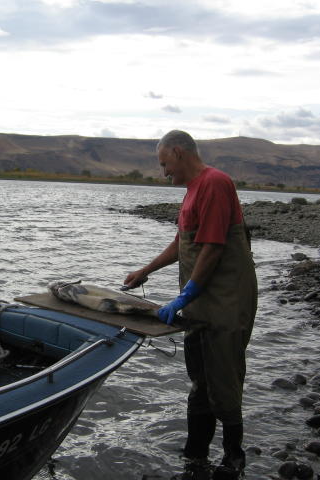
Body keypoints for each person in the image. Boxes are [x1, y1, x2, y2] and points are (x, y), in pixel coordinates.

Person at [124, 130, 257, 480]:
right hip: (199, 304)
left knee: (224, 379)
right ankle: (195, 454)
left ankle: (233, 459)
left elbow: (212, 247)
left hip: (226, 302)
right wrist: (145, 271)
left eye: (165, 164)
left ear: (179, 153)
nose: (164, 172)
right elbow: (183, 242)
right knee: (199, 380)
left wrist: (184, 296)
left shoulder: (215, 183)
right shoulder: (191, 192)